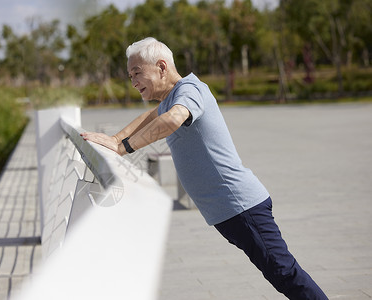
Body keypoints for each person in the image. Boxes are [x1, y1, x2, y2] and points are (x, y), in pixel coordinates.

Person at [81, 37, 328, 300]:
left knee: (284, 272)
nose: (133, 82)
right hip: (230, 212)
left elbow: (172, 119)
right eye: (130, 75)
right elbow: (150, 117)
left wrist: (123, 148)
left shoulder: (190, 90)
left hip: (242, 206)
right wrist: (114, 139)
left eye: (137, 73)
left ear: (162, 67)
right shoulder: (169, 97)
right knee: (279, 273)